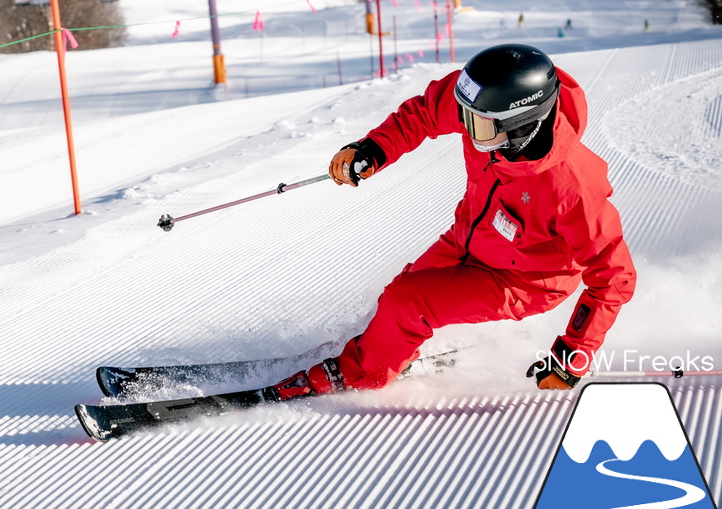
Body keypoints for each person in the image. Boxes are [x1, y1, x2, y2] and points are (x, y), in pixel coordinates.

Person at [272, 43, 636, 398]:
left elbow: (614, 277)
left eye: (476, 125)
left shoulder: (572, 188)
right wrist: (373, 149)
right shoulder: (481, 104)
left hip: (523, 279)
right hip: (470, 238)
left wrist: (573, 354)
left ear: (522, 125)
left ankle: (361, 373)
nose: (465, 125)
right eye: (464, 115)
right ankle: (386, 350)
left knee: (406, 303)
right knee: (402, 291)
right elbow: (425, 113)